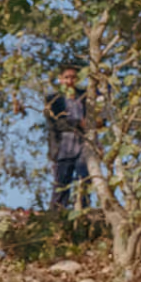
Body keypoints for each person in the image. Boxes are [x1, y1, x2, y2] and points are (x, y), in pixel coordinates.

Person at [45, 66, 90, 211]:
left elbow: (97, 117)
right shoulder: (53, 99)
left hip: (83, 143)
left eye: (73, 77)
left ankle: (83, 211)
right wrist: (78, 123)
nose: (70, 81)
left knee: (85, 179)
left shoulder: (85, 96)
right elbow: (56, 123)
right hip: (64, 145)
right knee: (61, 183)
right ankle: (56, 214)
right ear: (60, 80)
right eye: (66, 77)